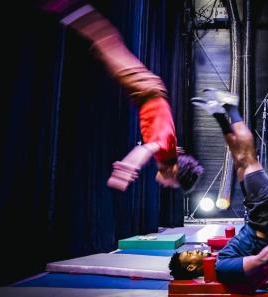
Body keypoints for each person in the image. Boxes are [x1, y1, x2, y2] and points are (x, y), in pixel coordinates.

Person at [39, 0, 203, 192]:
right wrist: (127, 168)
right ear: (174, 171)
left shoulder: (168, 153)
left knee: (106, 47)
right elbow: (146, 149)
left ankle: (69, 10)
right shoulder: (165, 150)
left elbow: (167, 146)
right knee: (106, 44)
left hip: (147, 90)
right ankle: (67, 7)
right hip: (146, 89)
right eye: (171, 183)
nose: (166, 184)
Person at [168, 89, 268, 283]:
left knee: (241, 163)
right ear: (191, 266)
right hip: (265, 222)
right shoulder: (222, 266)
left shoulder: (219, 261)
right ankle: (229, 108)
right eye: (190, 254)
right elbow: (261, 260)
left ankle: (220, 112)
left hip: (260, 220)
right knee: (247, 158)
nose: (196, 249)